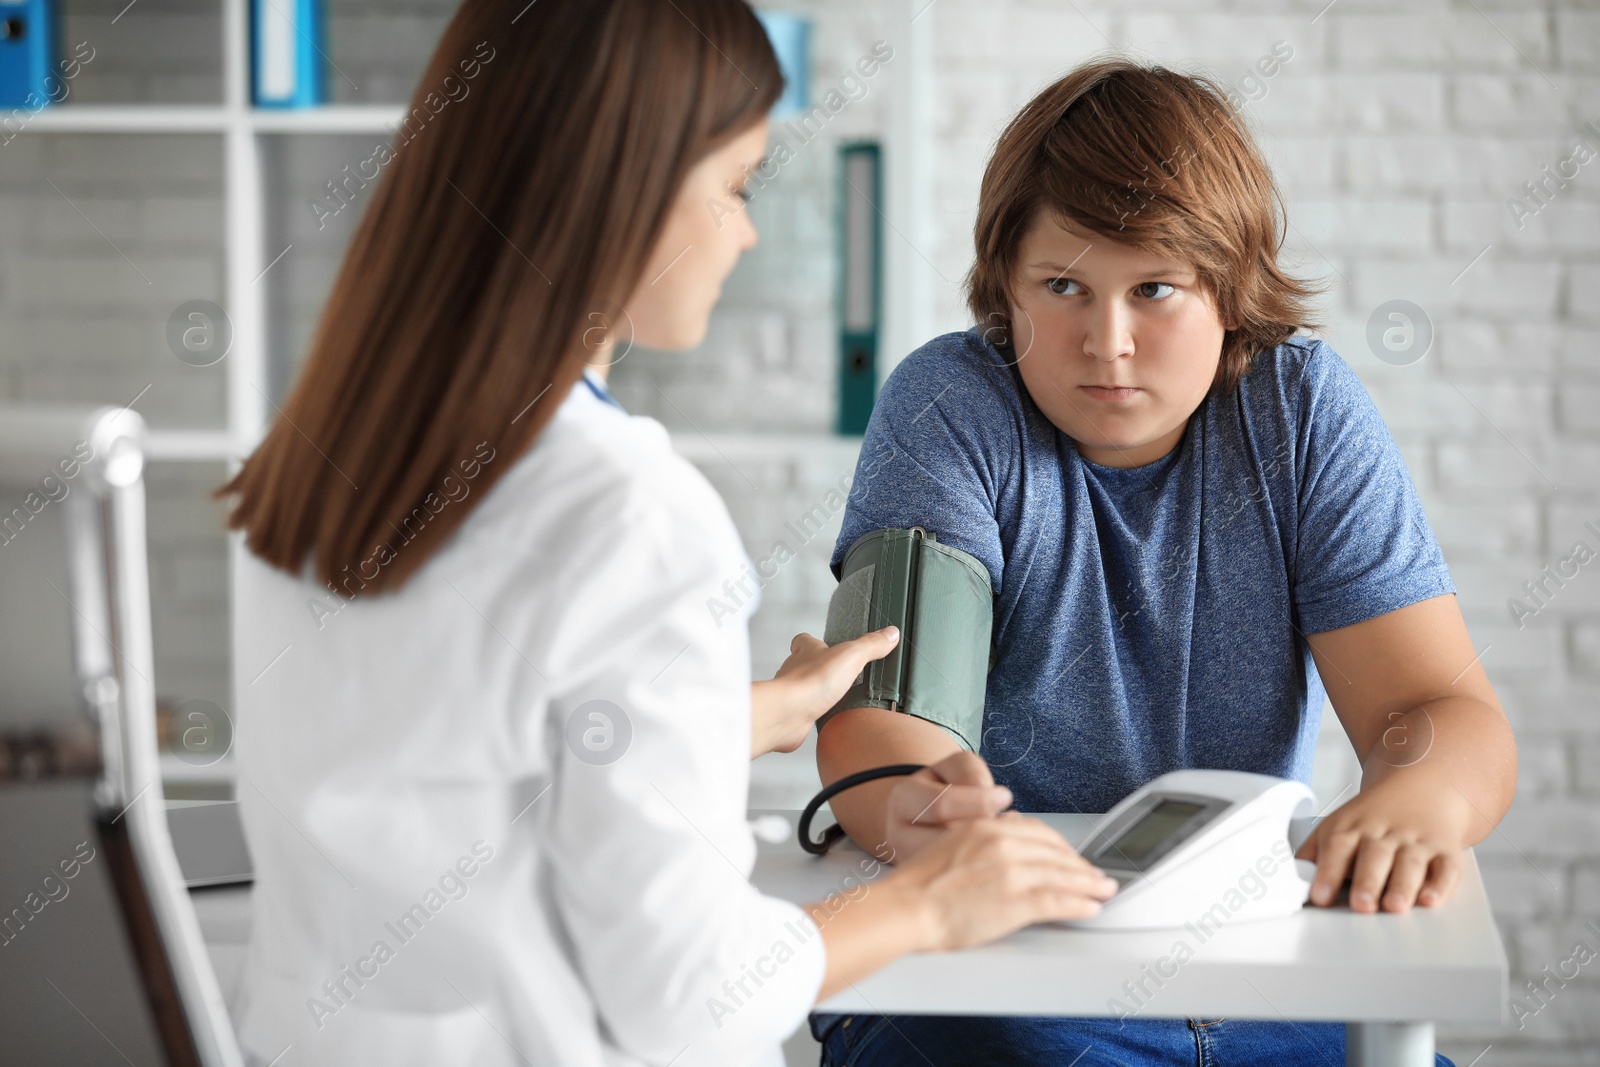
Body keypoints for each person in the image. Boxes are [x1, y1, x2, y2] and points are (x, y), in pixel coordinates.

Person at [216, 3, 1117, 1065]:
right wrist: (931, 903)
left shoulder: (318, 457)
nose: (745, 231)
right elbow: (688, 994)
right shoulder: (625, 508)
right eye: (734, 186)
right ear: (623, 189)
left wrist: (731, 718)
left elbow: (440, 765)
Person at [812, 57, 1515, 1067]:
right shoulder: (947, 406)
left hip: (1263, 978)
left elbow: (1447, 716)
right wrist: (915, 803)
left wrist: (1420, 795)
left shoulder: (1301, 408)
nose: (1108, 342)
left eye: (1155, 289)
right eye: (1062, 286)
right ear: (1004, 290)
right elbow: (885, 723)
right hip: (991, 980)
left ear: (1229, 290)